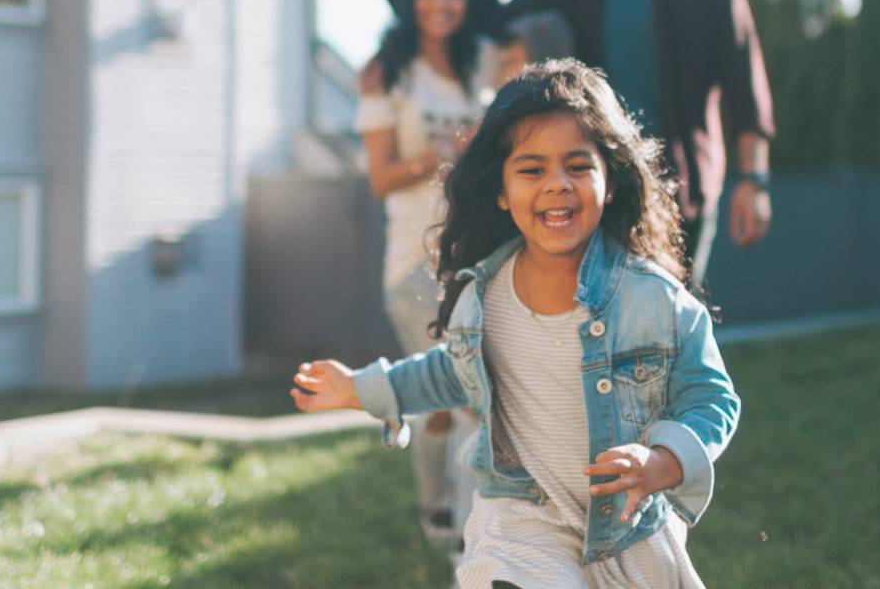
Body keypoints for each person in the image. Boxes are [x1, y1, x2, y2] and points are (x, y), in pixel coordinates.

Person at [294, 60, 740, 587]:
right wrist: (362, 388)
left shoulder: (656, 300)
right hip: (523, 518)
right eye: (532, 170)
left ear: (611, 182)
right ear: (502, 191)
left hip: (627, 530)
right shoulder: (485, 296)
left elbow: (712, 398)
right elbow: (450, 371)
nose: (556, 185)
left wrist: (663, 460)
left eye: (578, 166)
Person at [503, 0, 778, 288]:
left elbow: (743, 82)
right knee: (598, 329)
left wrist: (755, 182)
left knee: (676, 327)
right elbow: (497, 26)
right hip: (596, 187)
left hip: (683, 185)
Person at [356, 0, 506, 552]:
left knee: (481, 397)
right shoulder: (384, 73)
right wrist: (446, 152)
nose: (441, 3)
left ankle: (473, 537)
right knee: (448, 399)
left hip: (478, 256)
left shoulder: (485, 62)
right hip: (413, 262)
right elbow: (381, 175)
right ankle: (439, 513)